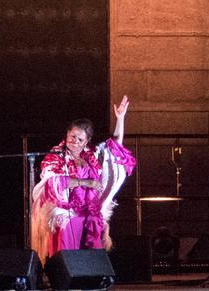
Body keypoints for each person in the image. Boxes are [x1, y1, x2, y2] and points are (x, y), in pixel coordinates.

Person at [30, 96, 136, 264]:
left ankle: (90, 275)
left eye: (80, 139)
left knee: (94, 225)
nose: (75, 142)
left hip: (89, 209)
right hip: (66, 209)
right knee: (70, 227)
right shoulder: (56, 155)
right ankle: (66, 272)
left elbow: (115, 147)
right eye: (72, 137)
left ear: (87, 140)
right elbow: (54, 182)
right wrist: (85, 182)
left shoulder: (91, 155)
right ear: (67, 134)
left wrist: (120, 118)